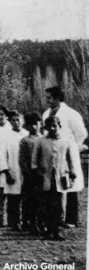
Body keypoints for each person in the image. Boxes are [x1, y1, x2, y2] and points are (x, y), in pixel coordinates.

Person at [42, 86, 86, 227]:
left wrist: (73, 146)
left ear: (57, 97)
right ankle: (56, 218)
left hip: (68, 150)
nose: (47, 100)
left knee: (70, 184)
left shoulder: (71, 114)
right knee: (54, 186)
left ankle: (71, 220)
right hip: (52, 151)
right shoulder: (46, 114)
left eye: (49, 97)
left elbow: (81, 133)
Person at [32, 115, 77, 241]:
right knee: (46, 204)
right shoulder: (40, 141)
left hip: (61, 178)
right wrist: (37, 174)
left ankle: (57, 230)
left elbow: (70, 159)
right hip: (45, 178)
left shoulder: (65, 141)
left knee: (60, 205)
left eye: (54, 126)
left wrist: (72, 173)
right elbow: (34, 161)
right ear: (45, 127)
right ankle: (47, 229)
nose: (52, 129)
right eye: (49, 126)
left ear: (59, 126)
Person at [18, 113, 42, 234]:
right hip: (30, 175)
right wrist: (28, 173)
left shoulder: (44, 139)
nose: (35, 126)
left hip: (42, 174)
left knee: (42, 200)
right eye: (31, 124)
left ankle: (41, 222)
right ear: (27, 126)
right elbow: (22, 160)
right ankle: (28, 222)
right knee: (29, 199)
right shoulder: (25, 141)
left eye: (37, 123)